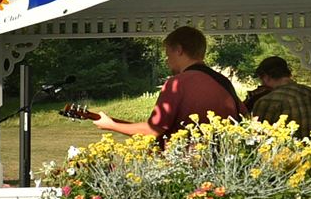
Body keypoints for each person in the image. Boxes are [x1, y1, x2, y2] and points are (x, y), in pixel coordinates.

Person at [77, 25, 242, 141]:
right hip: (221, 167)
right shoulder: (223, 81)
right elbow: (243, 117)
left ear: (179, 50)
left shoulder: (177, 84)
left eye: (168, 53)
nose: (167, 59)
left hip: (186, 171)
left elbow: (152, 131)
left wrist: (111, 125)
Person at [243, 56, 311, 142]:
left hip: (282, 166)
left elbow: (257, 138)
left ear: (266, 77)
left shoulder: (267, 101)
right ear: (287, 73)